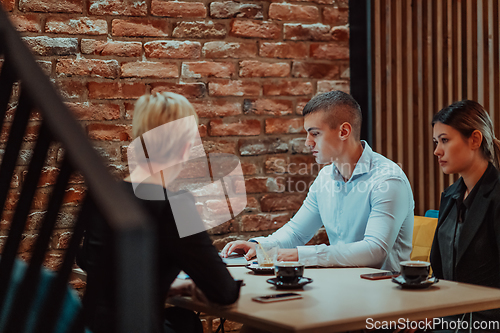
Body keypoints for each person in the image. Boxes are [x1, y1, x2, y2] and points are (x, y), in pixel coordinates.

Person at [77, 92, 240, 333]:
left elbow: (89, 262)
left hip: (91, 327)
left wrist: (162, 286)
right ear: (186, 147)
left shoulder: (102, 196)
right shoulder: (174, 206)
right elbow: (224, 292)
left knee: (185, 320)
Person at [221, 91, 414, 271]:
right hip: (342, 287)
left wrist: (299, 255)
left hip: (385, 292)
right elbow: (296, 233)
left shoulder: (388, 179)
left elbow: (374, 252)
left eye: (315, 133)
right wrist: (259, 246)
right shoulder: (325, 178)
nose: (307, 142)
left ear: (344, 131)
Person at [430, 100, 500, 326]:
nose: (436, 151)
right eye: (436, 141)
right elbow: (440, 272)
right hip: (451, 319)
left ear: (475, 140)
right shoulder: (450, 196)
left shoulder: (497, 196)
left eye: (445, 140)